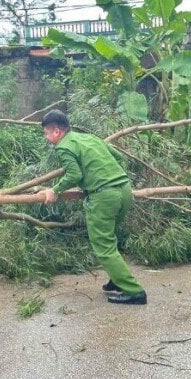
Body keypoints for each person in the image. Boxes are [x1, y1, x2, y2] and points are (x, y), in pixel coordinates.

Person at [39, 110, 147, 305]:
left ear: (56, 131)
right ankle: (117, 281)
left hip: (103, 196)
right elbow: (119, 158)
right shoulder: (88, 137)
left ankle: (134, 291)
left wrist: (54, 190)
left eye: (46, 133)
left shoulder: (63, 147)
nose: (47, 138)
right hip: (124, 190)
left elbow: (74, 175)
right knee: (110, 239)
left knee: (103, 246)